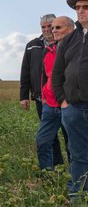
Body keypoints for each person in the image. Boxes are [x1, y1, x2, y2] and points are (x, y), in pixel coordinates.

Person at [53, 0, 88, 198]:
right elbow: (56, 75)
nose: (81, 11)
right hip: (73, 108)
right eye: (78, 7)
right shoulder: (69, 40)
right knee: (78, 154)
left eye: (86, 7)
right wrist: (63, 103)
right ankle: (79, 196)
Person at [19, 13, 65, 166]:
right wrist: (23, 96)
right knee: (49, 137)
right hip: (42, 98)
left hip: (66, 99)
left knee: (69, 136)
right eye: (43, 27)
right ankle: (55, 167)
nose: (46, 30)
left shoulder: (66, 43)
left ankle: (75, 172)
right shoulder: (33, 45)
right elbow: (25, 70)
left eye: (50, 26)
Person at [36, 16, 73, 170]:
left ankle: (77, 178)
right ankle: (48, 175)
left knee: (73, 143)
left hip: (70, 104)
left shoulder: (77, 48)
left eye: (58, 27)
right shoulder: (48, 50)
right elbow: (44, 75)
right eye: (52, 28)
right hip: (50, 105)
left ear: (70, 29)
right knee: (42, 141)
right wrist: (44, 96)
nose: (53, 31)